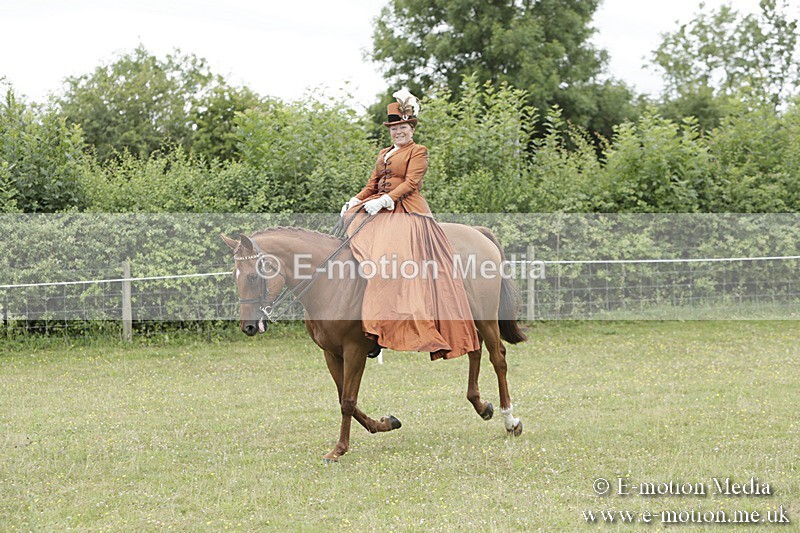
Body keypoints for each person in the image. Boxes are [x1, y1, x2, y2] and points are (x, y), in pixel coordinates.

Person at [340, 89, 480, 360]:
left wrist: (384, 201)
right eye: (394, 128)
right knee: (350, 239)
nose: (398, 132)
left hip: (407, 211)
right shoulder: (383, 153)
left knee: (389, 262)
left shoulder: (419, 151)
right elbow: (372, 185)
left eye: (403, 127)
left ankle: (386, 324)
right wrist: (355, 200)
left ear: (411, 128)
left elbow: (411, 184)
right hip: (379, 207)